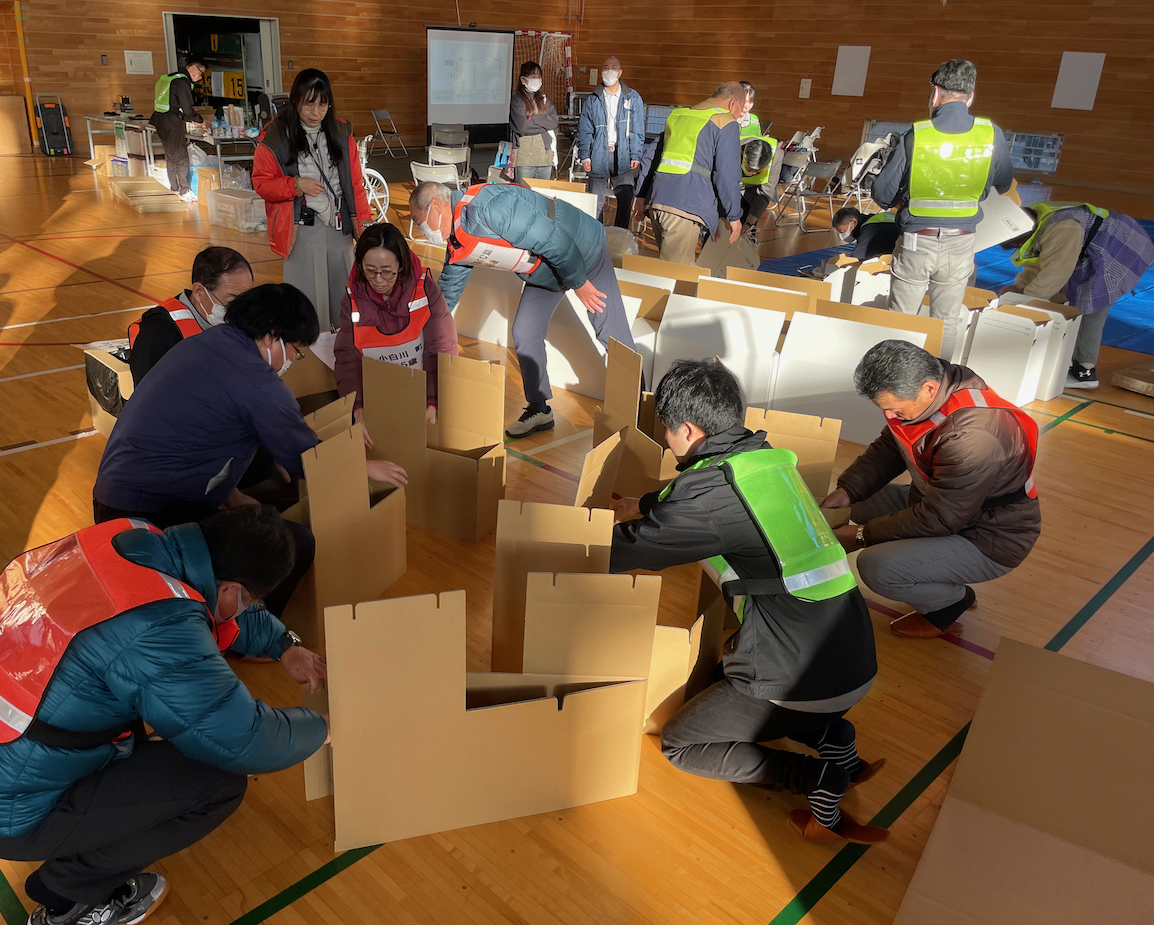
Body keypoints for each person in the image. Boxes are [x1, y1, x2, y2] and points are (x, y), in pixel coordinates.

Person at [0, 505, 331, 925]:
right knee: (220, 781)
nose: (246, 609)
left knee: (151, 712)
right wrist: (323, 728)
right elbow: (242, 739)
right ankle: (68, 896)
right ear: (230, 588)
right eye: (250, 601)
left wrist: (284, 644)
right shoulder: (157, 622)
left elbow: (215, 609)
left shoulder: (132, 537)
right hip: (0, 813)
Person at [610, 359, 886, 845]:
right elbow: (700, 495)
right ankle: (831, 737)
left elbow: (621, 552)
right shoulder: (762, 461)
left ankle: (816, 779)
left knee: (681, 743)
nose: (668, 443)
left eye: (667, 434)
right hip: (853, 658)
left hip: (801, 678)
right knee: (720, 685)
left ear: (688, 428)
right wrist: (644, 504)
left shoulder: (710, 497)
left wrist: (564, 539)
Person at [93, 283, 408, 615]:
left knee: (260, 505)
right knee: (292, 543)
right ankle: (245, 631)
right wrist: (366, 467)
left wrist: (231, 494)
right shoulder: (258, 382)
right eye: (297, 350)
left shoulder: (207, 343)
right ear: (272, 337)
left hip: (115, 502)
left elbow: (198, 439)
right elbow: (307, 460)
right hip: (151, 514)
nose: (294, 360)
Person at [822, 340, 1040, 638]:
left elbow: (941, 518)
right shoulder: (932, 392)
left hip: (990, 535)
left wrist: (862, 536)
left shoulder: (972, 435)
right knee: (855, 505)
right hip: (947, 506)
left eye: (895, 410)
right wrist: (847, 490)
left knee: (877, 567)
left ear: (927, 388)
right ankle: (939, 576)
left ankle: (949, 604)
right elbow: (890, 447)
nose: (892, 417)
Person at [410, 180, 637, 437]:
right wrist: (425, 331)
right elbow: (448, 291)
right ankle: (539, 410)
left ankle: (640, 407)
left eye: (420, 222)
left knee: (610, 331)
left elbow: (554, 239)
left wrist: (580, 282)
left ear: (437, 206)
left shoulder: (490, 207)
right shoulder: (457, 239)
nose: (421, 230)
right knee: (525, 332)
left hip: (584, 251)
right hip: (545, 272)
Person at [871, 60, 1014, 361]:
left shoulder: (917, 134)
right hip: (961, 242)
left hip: (916, 241)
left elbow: (883, 194)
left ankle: (894, 379)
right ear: (971, 96)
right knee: (946, 321)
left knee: (901, 319)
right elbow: (1003, 182)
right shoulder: (991, 134)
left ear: (935, 93)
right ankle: (939, 384)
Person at [253, 68, 371, 333]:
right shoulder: (274, 136)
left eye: (323, 104)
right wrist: (295, 185)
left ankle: (347, 348)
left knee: (345, 295)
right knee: (307, 300)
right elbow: (261, 183)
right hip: (301, 230)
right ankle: (309, 356)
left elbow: (355, 183)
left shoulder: (341, 132)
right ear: (296, 100)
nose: (316, 111)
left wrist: (363, 225)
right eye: (309, 103)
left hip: (339, 226)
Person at [1000, 202, 1154, 389]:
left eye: (1015, 244)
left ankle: (1085, 372)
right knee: (1075, 300)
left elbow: (1054, 276)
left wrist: (1023, 301)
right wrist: (1018, 288)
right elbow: (1040, 262)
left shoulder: (1062, 229)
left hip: (1121, 248)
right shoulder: (1038, 225)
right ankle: (1078, 365)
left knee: (1091, 307)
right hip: (1097, 244)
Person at [334, 222, 459, 444]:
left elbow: (441, 349)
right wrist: (357, 408)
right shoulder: (352, 299)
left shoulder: (426, 290)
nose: (379, 280)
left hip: (419, 395)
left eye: (387, 272)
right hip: (377, 399)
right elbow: (347, 359)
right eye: (370, 271)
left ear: (401, 265)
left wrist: (433, 402)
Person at [635, 81, 748, 265]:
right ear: (733, 102)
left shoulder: (679, 115)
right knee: (675, 274)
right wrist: (733, 215)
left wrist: (640, 195)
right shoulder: (725, 122)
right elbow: (727, 174)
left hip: (658, 203)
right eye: (739, 111)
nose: (736, 117)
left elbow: (651, 156)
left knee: (678, 267)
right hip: (686, 207)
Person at [128, 245, 254, 385]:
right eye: (231, 302)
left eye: (246, 301)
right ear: (199, 292)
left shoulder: (246, 323)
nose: (241, 311)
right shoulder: (159, 334)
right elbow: (149, 399)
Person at [576, 57, 645, 227]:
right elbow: (585, 129)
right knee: (595, 202)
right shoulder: (593, 99)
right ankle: (596, 238)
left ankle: (620, 238)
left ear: (620, 72)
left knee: (625, 199)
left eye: (614, 67)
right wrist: (585, 156)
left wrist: (636, 154)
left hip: (624, 155)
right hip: (598, 154)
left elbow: (637, 129)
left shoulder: (632, 97)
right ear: (601, 71)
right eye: (606, 67)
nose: (609, 70)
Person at [150, 55, 206, 201]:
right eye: (201, 73)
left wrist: (189, 118)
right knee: (181, 157)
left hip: (160, 119)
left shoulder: (170, 77)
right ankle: (184, 191)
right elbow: (187, 108)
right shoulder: (182, 82)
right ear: (194, 67)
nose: (200, 77)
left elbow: (174, 103)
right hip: (171, 121)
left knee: (171, 156)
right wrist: (199, 120)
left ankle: (174, 188)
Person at [509, 61, 558, 185]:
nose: (537, 79)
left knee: (543, 196)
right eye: (533, 76)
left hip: (544, 157)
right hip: (525, 157)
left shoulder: (544, 100)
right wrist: (543, 124)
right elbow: (522, 126)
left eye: (539, 76)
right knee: (525, 196)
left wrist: (533, 118)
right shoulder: (517, 100)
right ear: (523, 79)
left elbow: (553, 122)